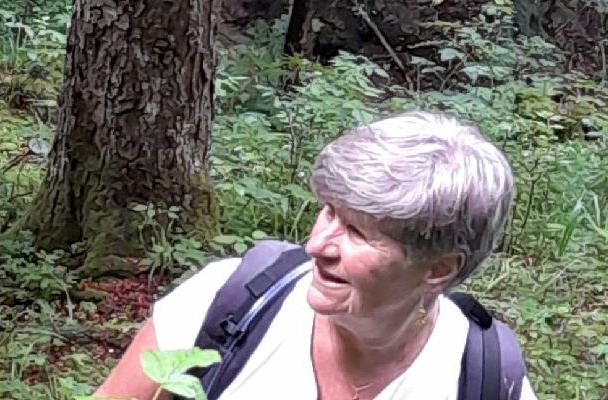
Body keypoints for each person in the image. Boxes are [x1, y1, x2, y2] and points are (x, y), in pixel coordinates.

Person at [93, 111, 537, 400]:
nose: (317, 246)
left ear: (438, 268)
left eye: (357, 233)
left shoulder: (481, 380)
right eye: (328, 211)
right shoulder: (229, 303)